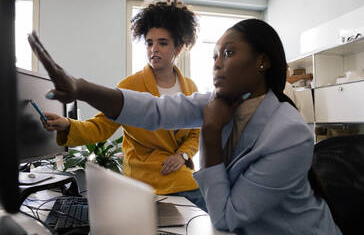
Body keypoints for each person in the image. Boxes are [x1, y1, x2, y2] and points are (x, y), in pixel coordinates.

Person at [28, 18, 342, 234]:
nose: (217, 63)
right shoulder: (220, 101)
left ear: (262, 61)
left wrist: (210, 132)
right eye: (215, 55)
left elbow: (226, 217)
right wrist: (79, 87)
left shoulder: (290, 134)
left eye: (229, 53)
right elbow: (152, 110)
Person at [38, 0, 206, 210]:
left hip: (179, 172)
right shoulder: (130, 86)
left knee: (207, 208)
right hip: (145, 176)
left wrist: (182, 155)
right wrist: (67, 125)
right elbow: (99, 128)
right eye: (149, 42)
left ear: (178, 49)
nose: (154, 49)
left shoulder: (190, 87)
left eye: (162, 43)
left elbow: (194, 133)